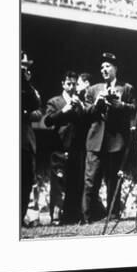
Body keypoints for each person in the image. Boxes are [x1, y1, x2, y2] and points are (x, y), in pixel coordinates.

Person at [82, 53, 136, 223]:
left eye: (107, 66)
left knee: (113, 180)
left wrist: (121, 105)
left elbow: (135, 108)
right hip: (96, 141)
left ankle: (113, 214)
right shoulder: (93, 90)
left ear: (115, 69)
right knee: (91, 180)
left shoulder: (126, 88)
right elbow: (85, 113)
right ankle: (87, 216)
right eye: (102, 67)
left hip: (115, 141)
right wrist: (98, 102)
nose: (104, 70)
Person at [43, 71, 86, 225]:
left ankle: (72, 216)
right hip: (59, 148)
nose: (72, 87)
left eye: (74, 84)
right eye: (69, 83)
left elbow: (84, 123)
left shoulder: (78, 101)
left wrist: (79, 106)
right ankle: (56, 217)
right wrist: (64, 110)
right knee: (58, 184)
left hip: (76, 149)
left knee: (75, 183)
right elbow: (47, 121)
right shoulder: (54, 102)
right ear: (63, 84)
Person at [20, 51, 42, 227]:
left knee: (26, 180)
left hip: (24, 141)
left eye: (25, 67)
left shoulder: (27, 86)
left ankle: (19, 217)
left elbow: (36, 105)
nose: (23, 69)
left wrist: (25, 82)